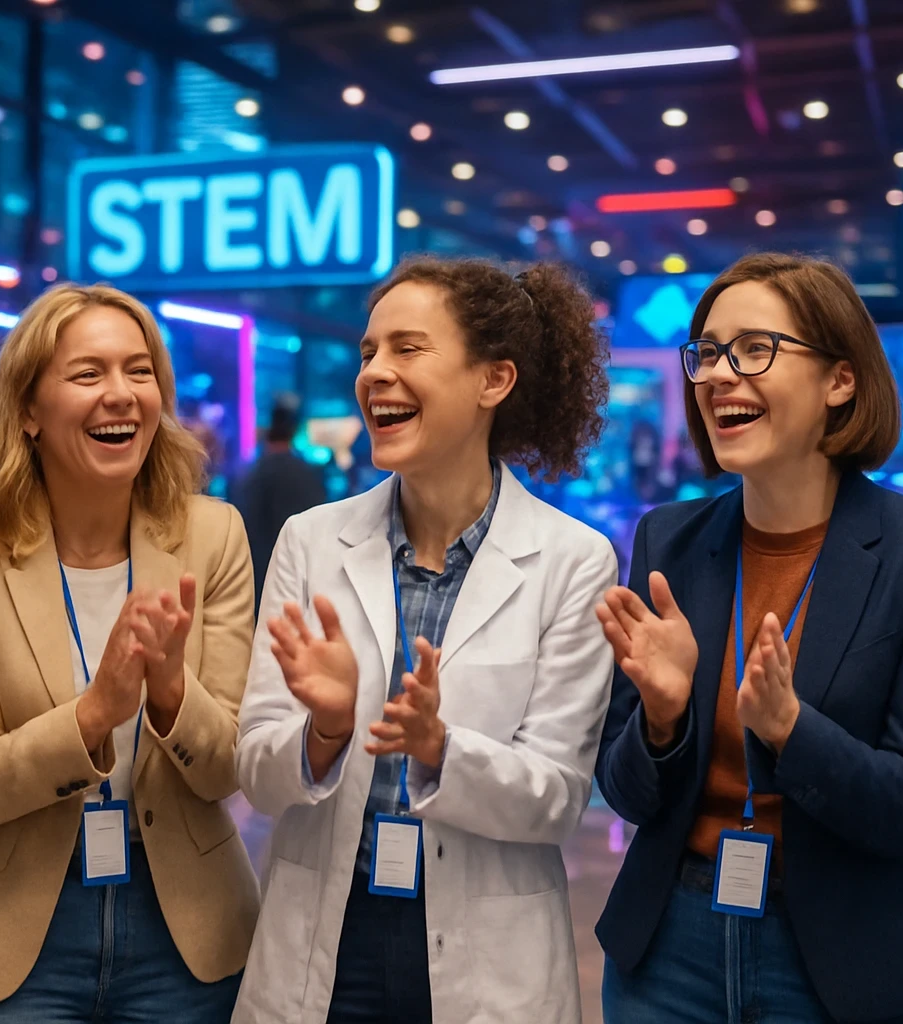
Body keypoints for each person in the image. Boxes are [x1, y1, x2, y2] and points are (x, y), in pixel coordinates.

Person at [594, 253, 903, 1024]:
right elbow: (626, 792)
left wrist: (791, 730)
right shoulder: (669, 543)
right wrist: (663, 720)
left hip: (845, 962)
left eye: (754, 349)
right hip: (669, 951)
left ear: (839, 381)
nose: (717, 375)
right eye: (706, 353)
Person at [234, 256, 618, 1024]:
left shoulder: (573, 561)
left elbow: (555, 800)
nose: (375, 373)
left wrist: (440, 746)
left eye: (408, 350)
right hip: (326, 945)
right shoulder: (311, 543)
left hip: (489, 960)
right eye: (369, 352)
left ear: (493, 381)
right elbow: (256, 773)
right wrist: (329, 728)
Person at [0, 283, 259, 1021]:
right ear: (29, 411)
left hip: (185, 930)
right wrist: (94, 714)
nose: (121, 395)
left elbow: (232, 763)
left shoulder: (214, 537)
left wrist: (169, 692)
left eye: (140, 373)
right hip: (10, 931)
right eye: (88, 373)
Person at [235, 395, 327, 614]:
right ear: (295, 429)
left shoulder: (247, 475)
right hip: (300, 584)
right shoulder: (307, 475)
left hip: (253, 581)